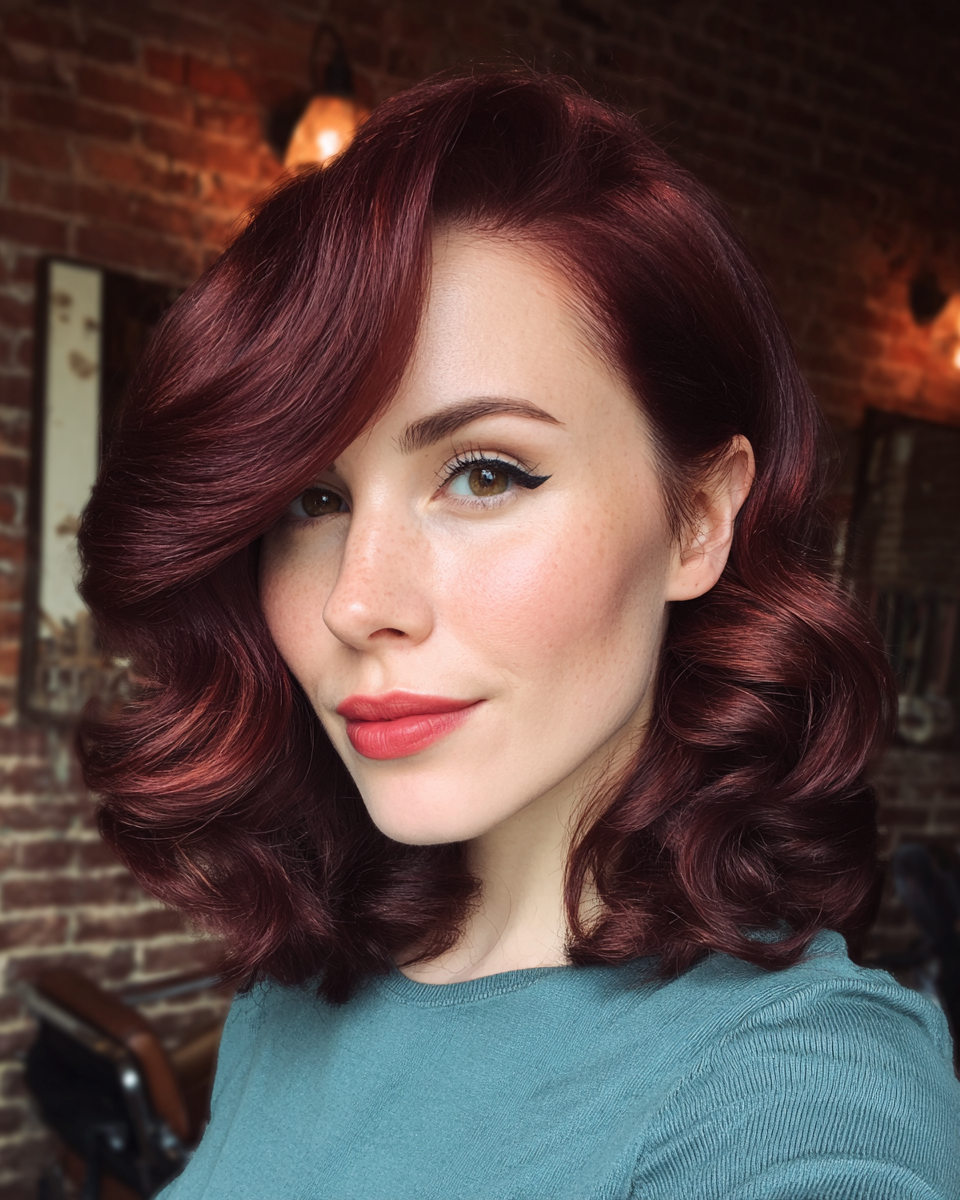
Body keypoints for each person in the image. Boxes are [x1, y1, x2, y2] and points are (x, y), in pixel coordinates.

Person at [78, 71, 960, 1199]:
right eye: (313, 499)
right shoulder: (298, 987)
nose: (357, 600)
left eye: (485, 473)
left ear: (697, 519)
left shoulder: (794, 1090)